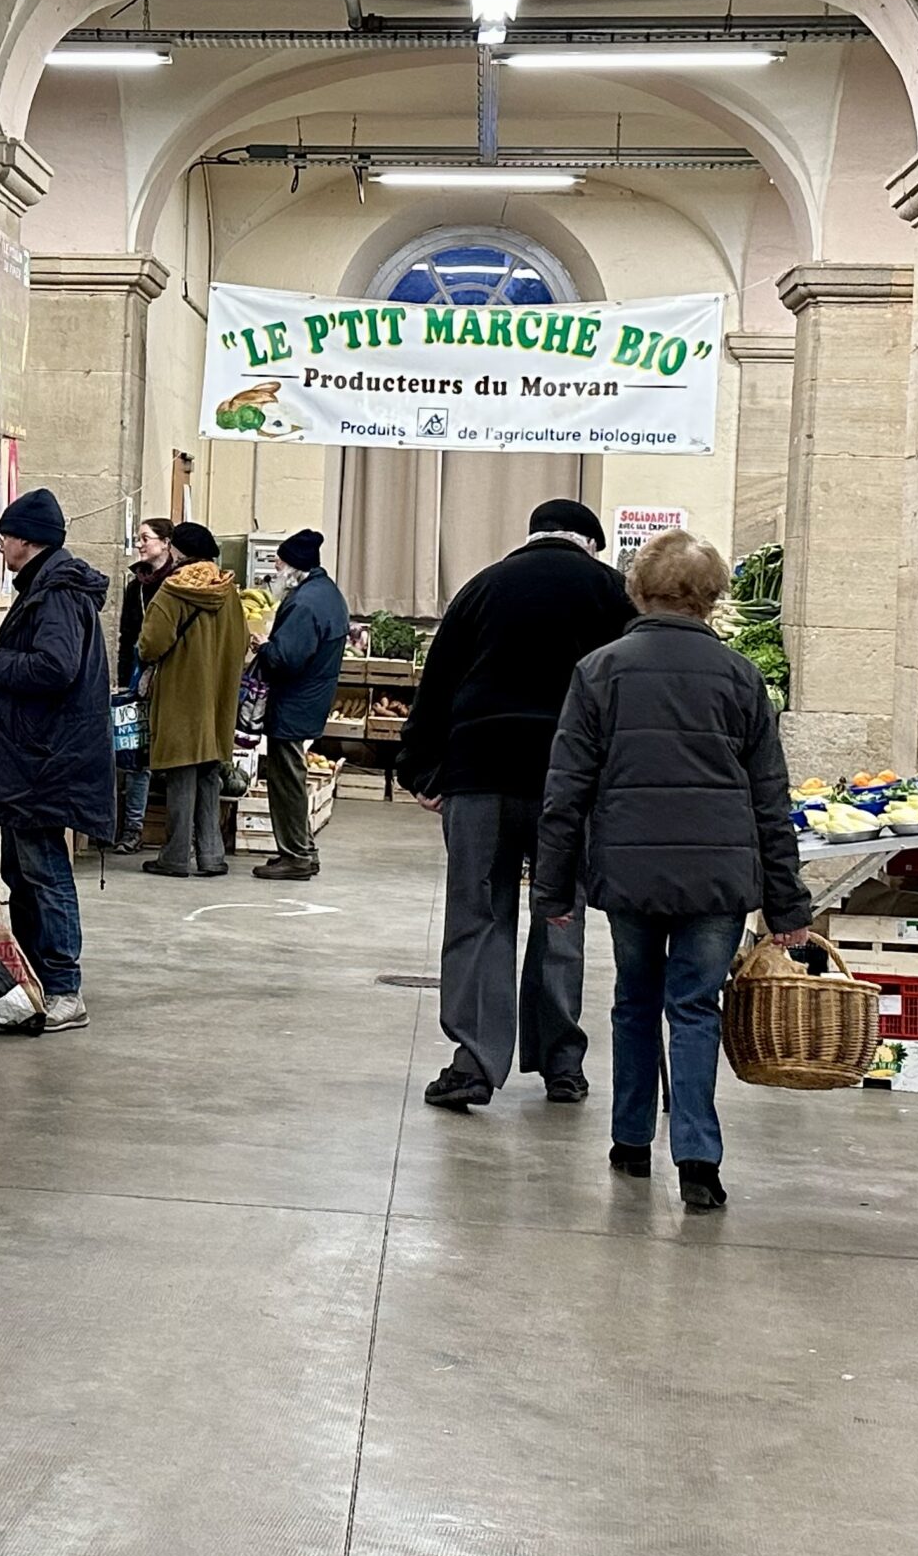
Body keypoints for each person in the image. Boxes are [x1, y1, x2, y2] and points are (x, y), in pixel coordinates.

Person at [534, 529, 813, 1214]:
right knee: (694, 1009)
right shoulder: (742, 678)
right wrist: (788, 906)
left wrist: (553, 886)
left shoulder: (599, 670)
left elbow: (565, 790)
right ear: (714, 598)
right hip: (718, 875)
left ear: (637, 590)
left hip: (629, 872)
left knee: (635, 1000)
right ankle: (698, 1161)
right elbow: (769, 802)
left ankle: (630, 1141)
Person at [396, 498, 634, 1113]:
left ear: (530, 537)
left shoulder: (482, 587)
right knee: (561, 914)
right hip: (569, 784)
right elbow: (628, 691)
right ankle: (562, 1065)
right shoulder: (611, 591)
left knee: (479, 912)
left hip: (480, 775)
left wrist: (421, 767)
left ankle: (474, 1061)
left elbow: (438, 680)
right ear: (590, 543)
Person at [0, 488, 114, 1032]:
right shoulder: (48, 587)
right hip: (35, 756)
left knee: (44, 872)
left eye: (4, 535)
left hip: (45, 761)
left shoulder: (55, 594)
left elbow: (54, 667)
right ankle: (30, 979)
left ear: (26, 540)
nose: (0, 544)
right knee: (21, 871)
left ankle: (64, 988)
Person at [137, 523, 249, 881]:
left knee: (181, 774)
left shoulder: (174, 588)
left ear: (178, 551)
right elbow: (243, 639)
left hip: (182, 694)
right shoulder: (228, 591)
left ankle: (174, 856)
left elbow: (151, 642)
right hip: (218, 696)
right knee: (209, 774)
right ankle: (212, 854)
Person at [248, 528, 348, 881]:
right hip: (311, 698)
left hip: (294, 703)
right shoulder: (327, 594)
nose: (276, 571)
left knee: (287, 781)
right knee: (292, 777)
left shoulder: (306, 603)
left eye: (279, 564)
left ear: (295, 567)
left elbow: (287, 659)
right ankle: (303, 849)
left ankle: (296, 856)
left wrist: (263, 646)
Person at [113, 517, 177, 854]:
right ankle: (132, 830)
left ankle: (180, 836)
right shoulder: (135, 585)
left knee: (171, 757)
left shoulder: (179, 582)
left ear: (166, 542)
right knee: (136, 755)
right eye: (138, 538)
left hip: (173, 675)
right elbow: (127, 635)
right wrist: (125, 680)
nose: (140, 544)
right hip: (139, 675)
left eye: (146, 538)